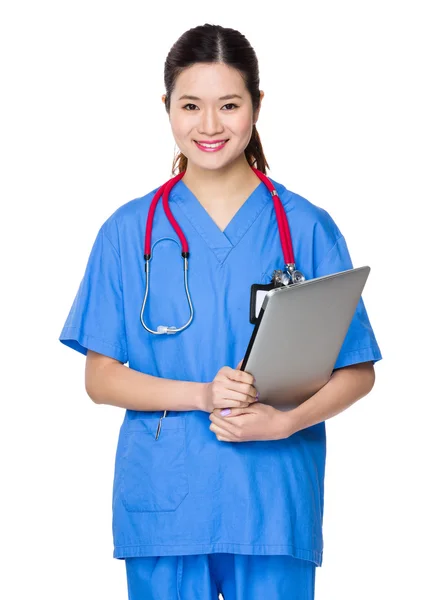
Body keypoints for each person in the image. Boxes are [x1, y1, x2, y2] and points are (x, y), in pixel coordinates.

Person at [59, 23, 382, 600]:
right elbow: (100, 379)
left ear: (257, 105)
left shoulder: (305, 228)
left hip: (273, 501)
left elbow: (357, 371)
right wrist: (204, 395)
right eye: (190, 106)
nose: (210, 126)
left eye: (229, 105)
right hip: (165, 507)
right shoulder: (127, 232)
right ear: (167, 107)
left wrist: (283, 422)